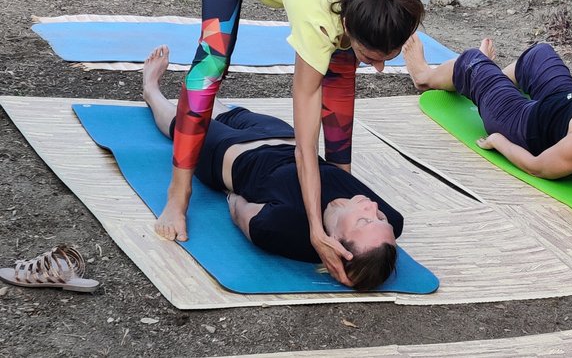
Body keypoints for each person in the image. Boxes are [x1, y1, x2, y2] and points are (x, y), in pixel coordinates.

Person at [158, 0, 424, 286]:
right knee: (213, 58)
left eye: (387, 57)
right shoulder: (315, 6)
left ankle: (341, 175)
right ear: (346, 21)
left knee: (343, 67)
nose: (381, 70)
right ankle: (178, 196)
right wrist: (315, 229)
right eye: (372, 57)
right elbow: (304, 144)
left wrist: (340, 187)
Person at [144, 46, 403, 290]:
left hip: (228, 153)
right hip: (281, 134)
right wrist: (375, 223)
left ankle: (151, 90)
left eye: (364, 220)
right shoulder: (391, 223)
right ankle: (200, 93)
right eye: (380, 218)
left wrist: (230, 191)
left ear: (335, 241)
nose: (373, 207)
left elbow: (239, 208)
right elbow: (382, 234)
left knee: (187, 119)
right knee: (213, 103)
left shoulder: (281, 227)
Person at [402, 35, 572, 217]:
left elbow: (536, 166)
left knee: (471, 61)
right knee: (539, 53)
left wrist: (499, 141)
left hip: (522, 120)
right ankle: (488, 80)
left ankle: (424, 76)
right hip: (563, 98)